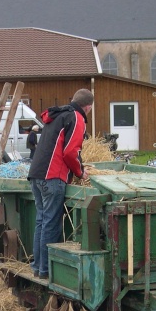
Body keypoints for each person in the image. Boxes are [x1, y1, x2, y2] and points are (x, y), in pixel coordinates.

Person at [27, 88, 93, 278]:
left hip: (36, 174)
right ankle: (47, 269)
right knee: (50, 223)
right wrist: (80, 172)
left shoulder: (57, 115)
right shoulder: (76, 117)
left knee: (41, 221)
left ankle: (38, 267)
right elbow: (71, 151)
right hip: (52, 176)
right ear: (88, 107)